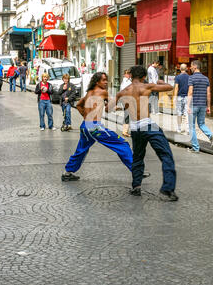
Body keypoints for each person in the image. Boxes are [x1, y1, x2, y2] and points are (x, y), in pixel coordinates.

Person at [114, 65, 178, 201]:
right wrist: (161, 81)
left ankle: (136, 187)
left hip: (135, 128)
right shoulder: (146, 86)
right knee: (166, 154)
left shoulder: (123, 91)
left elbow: (110, 108)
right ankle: (168, 189)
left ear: (130, 76)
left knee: (137, 157)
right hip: (147, 125)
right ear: (143, 76)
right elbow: (169, 87)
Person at [61, 72, 134, 182]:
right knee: (122, 144)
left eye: (106, 80)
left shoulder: (89, 92)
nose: (106, 82)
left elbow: (79, 104)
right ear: (97, 81)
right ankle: (136, 170)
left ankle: (67, 172)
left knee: (81, 150)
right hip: (94, 127)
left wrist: (86, 116)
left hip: (85, 126)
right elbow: (109, 109)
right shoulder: (103, 92)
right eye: (103, 80)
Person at [187, 59, 213, 152]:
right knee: (201, 124)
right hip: (203, 105)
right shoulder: (206, 79)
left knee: (191, 126)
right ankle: (210, 135)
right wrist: (208, 106)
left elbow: (190, 92)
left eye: (191, 66)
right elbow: (208, 93)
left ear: (195, 67)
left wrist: (188, 105)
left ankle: (195, 147)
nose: (190, 67)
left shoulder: (191, 78)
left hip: (194, 105)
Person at [174, 63, 190, 133]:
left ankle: (179, 128)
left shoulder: (177, 77)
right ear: (186, 69)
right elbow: (190, 88)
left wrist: (174, 97)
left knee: (179, 113)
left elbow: (176, 88)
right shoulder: (189, 77)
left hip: (179, 96)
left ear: (180, 69)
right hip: (187, 97)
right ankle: (188, 128)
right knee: (187, 113)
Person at [120, 69, 132, 137]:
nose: (128, 75)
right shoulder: (125, 81)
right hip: (126, 100)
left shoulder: (129, 81)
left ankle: (125, 130)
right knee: (127, 115)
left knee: (128, 115)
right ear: (124, 74)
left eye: (129, 73)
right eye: (127, 73)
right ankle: (125, 131)